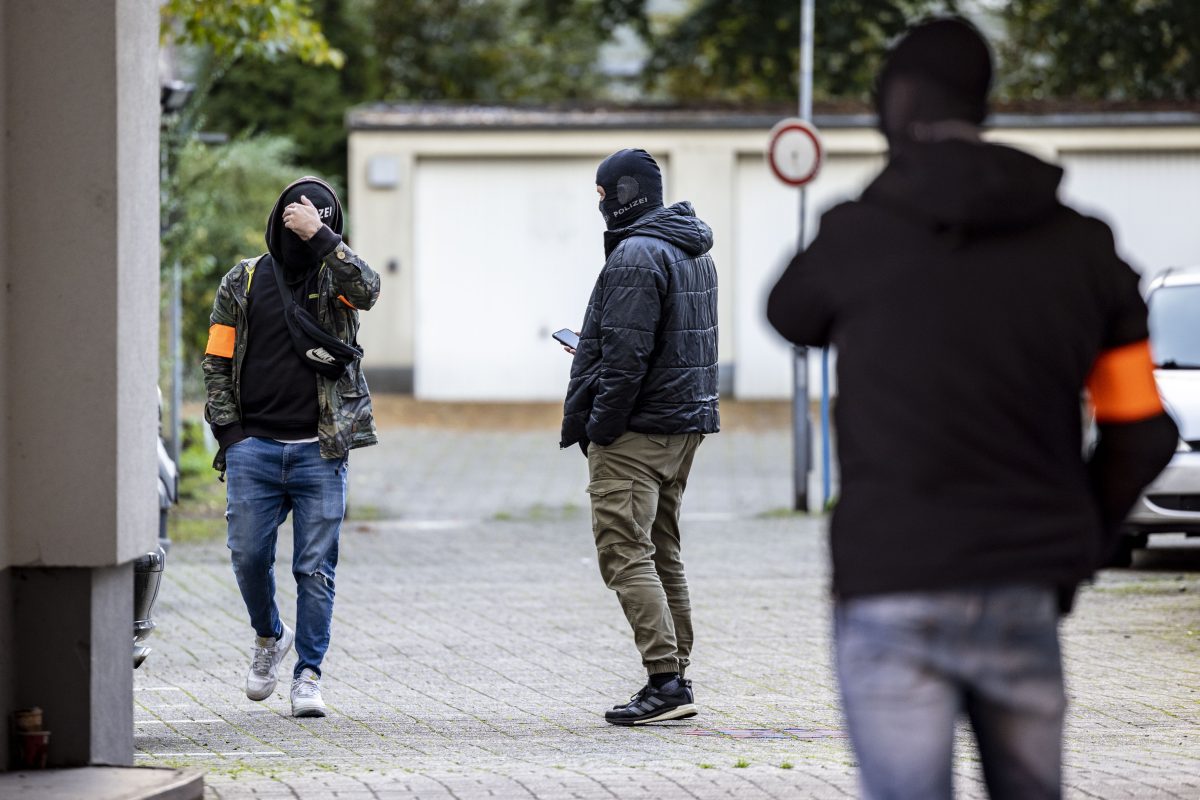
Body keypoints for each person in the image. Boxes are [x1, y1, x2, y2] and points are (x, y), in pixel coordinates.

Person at [767, 18, 1177, 800]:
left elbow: (791, 312)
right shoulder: (1083, 248)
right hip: (1022, 580)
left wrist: (885, 195)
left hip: (891, 579)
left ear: (896, 108)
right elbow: (1142, 428)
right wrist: (1080, 538)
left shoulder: (860, 235)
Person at [202, 177, 381, 717]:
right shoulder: (244, 279)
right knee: (249, 557)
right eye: (297, 223)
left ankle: (308, 673)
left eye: (318, 224)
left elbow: (369, 290)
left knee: (314, 568)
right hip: (252, 449)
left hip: (320, 451)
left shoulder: (336, 277)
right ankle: (268, 636)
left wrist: (322, 237)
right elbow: (217, 360)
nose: (303, 236)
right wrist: (231, 436)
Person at [561, 148, 720, 725]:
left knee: (625, 554)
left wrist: (601, 426)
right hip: (682, 426)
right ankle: (676, 672)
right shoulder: (689, 247)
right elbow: (668, 341)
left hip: (637, 432)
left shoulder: (635, 254)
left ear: (620, 194)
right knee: (663, 553)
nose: (599, 203)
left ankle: (665, 681)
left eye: (602, 194)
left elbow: (629, 360)